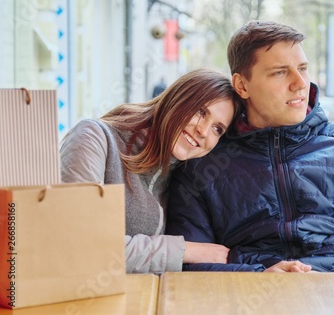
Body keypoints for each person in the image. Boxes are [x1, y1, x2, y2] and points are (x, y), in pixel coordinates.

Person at [165, 21, 334, 272]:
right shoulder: (203, 166)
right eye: (280, 72)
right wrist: (259, 279)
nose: (300, 83)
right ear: (242, 85)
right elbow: (192, 261)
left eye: (303, 68)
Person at [60, 68, 244, 274]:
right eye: (201, 112)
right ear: (176, 99)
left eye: (217, 129)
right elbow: (81, 246)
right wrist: (186, 251)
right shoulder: (93, 138)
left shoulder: (183, 176)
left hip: (141, 301)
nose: (203, 131)